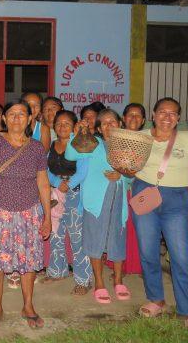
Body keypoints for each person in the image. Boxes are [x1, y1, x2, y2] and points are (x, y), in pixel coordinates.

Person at [131, 97, 188, 332]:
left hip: (176, 199)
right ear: (153, 114)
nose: (167, 117)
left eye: (173, 113)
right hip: (145, 193)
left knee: (181, 254)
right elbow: (127, 164)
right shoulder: (140, 136)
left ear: (178, 118)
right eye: (162, 112)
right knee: (148, 251)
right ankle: (156, 299)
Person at [0, 100, 51, 330]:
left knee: (29, 262)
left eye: (22, 114)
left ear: (30, 119)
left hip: (29, 212)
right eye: (12, 114)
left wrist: (47, 216)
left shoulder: (37, 148)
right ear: (5, 119)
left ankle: (28, 305)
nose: (17, 118)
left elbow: (43, 183)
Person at [66, 109, 130, 304]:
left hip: (118, 201)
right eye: (104, 123)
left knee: (117, 239)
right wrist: (76, 134)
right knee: (95, 241)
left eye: (113, 121)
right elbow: (70, 154)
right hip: (95, 202)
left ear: (120, 123)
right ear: (100, 128)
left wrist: (122, 176)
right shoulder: (92, 144)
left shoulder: (126, 146)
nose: (109, 125)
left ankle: (118, 280)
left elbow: (132, 176)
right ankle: (100, 283)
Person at [43, 110, 91, 295]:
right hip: (55, 193)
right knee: (56, 233)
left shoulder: (79, 144)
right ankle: (57, 271)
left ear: (73, 126)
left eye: (67, 124)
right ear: (54, 126)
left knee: (77, 237)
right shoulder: (52, 145)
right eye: (59, 123)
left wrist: (68, 185)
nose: (62, 127)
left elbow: (83, 170)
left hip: (74, 194)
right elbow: (45, 169)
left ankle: (83, 280)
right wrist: (56, 183)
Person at [121, 102, 146, 275]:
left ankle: (136, 266)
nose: (134, 118)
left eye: (138, 115)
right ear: (124, 118)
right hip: (121, 189)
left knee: (140, 229)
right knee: (121, 228)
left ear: (143, 120)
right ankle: (120, 266)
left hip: (141, 190)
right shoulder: (116, 138)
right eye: (130, 114)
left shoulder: (148, 140)